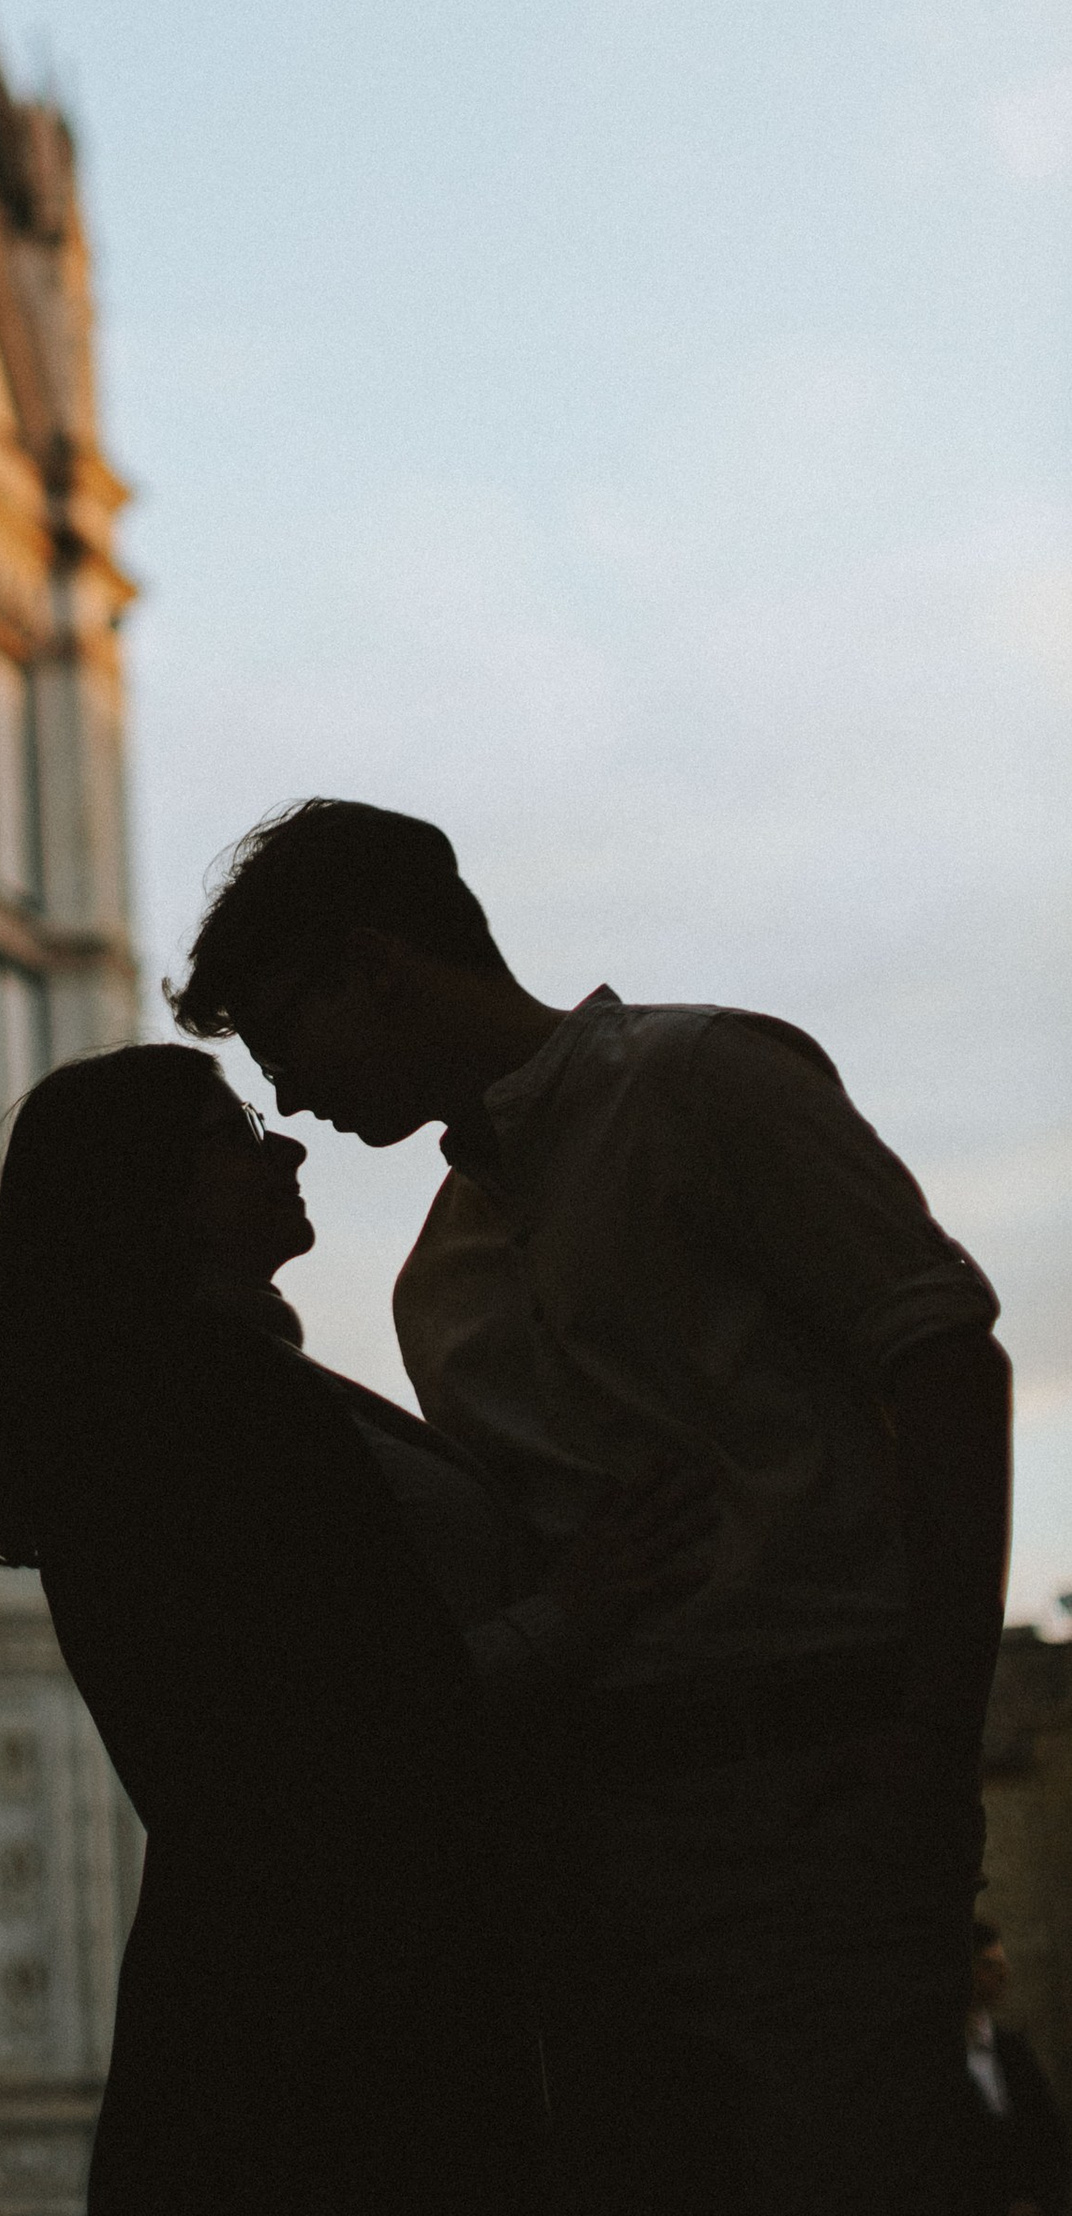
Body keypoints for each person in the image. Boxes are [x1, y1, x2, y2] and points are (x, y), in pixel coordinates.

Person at [175, 795, 1013, 2216]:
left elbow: (939, 1362)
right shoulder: (434, 1282)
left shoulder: (703, 1084)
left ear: (373, 967)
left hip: (819, 1789)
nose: (296, 1102)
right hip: (603, 1856)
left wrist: (934, 1741)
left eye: (280, 1041)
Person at [0, 1040, 709, 2216]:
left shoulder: (237, 1386)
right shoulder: (178, 1416)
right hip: (333, 2019)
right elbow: (317, 1732)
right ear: (143, 1190)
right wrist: (573, 1617)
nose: (287, 1144)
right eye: (233, 1133)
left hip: (359, 1986)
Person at [958, 1921, 1069, 2216]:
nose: (1004, 1975)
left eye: (1003, 1964)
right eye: (989, 1965)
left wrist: (1037, 2202)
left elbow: (1047, 2133)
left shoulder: (1012, 2048)